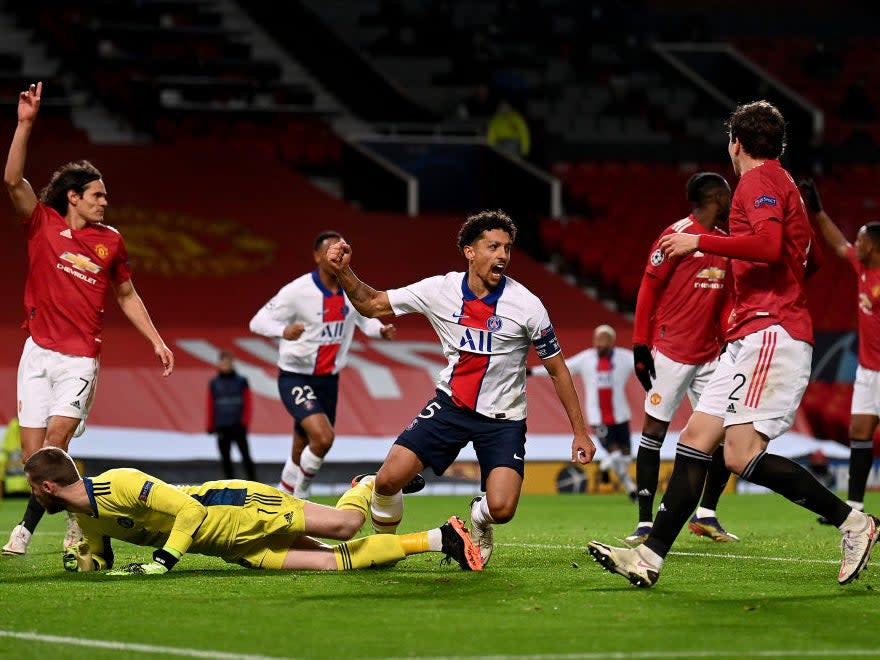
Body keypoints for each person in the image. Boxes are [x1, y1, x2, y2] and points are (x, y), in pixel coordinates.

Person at [587, 100, 879, 588]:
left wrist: (700, 244)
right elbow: (806, 264)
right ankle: (650, 557)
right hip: (750, 334)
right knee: (697, 439)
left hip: (770, 331)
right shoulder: (785, 187)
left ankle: (853, 522)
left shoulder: (760, 181)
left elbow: (766, 247)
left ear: (735, 143)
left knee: (740, 454)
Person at [322, 209, 596, 567]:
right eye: (493, 246)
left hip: (503, 420)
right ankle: (383, 547)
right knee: (388, 481)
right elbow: (373, 304)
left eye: (508, 249)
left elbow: (558, 369)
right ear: (469, 251)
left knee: (502, 508)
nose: (502, 256)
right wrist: (343, 272)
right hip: (450, 407)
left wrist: (580, 431)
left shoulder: (528, 306)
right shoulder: (440, 290)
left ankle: (479, 518)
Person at [3, 82, 175, 557]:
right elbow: (13, 181)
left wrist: (156, 340)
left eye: (106, 197)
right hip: (36, 352)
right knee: (33, 462)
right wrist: (25, 125)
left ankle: (25, 529)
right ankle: (85, 517)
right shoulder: (42, 225)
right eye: (98, 196)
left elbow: (126, 293)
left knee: (55, 448)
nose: (105, 202)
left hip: (79, 359)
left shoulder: (111, 241)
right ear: (73, 198)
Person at [26, 446, 483, 573]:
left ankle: (365, 484)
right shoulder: (84, 515)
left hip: (238, 507)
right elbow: (101, 557)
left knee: (346, 527)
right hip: (229, 550)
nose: (31, 495)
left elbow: (189, 511)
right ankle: (440, 538)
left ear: (48, 485)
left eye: (32, 486)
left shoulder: (120, 482)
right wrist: (86, 562)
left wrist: (163, 561)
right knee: (332, 563)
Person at [626, 172, 737, 545]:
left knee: (720, 433)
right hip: (670, 352)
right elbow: (649, 285)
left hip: (710, 356)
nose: (731, 199)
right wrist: (641, 344)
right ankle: (644, 521)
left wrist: (728, 338)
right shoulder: (675, 235)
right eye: (728, 194)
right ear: (716, 197)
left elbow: (722, 300)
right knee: (654, 431)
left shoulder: (724, 243)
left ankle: (707, 514)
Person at [249, 230, 397, 499]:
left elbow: (365, 320)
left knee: (302, 445)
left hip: (329, 380)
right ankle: (302, 495)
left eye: (341, 250)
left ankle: (282, 496)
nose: (335, 255)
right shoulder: (297, 291)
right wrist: (283, 330)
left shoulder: (351, 290)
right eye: (330, 250)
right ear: (317, 256)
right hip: (296, 376)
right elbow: (257, 322)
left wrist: (380, 330)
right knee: (323, 438)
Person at [799, 178, 880, 523]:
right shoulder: (863, 268)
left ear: (874, 245)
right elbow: (836, 244)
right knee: (859, 433)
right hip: (867, 371)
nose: (855, 243)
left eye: (861, 239)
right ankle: (856, 509)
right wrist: (816, 210)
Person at [530, 324, 636, 498]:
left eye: (603, 339)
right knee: (615, 453)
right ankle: (607, 470)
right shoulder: (586, 358)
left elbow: (645, 364)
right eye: (597, 339)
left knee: (625, 457)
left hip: (621, 415)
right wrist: (531, 371)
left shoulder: (624, 357)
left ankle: (629, 487)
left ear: (612, 341)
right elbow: (561, 367)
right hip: (598, 418)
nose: (599, 343)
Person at [207, 350, 256, 481]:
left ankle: (255, 483)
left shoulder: (241, 381)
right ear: (218, 364)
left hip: (238, 425)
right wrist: (211, 425)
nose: (225, 365)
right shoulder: (214, 383)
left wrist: (245, 422)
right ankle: (230, 486)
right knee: (225, 459)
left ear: (232, 363)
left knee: (246, 456)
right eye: (223, 362)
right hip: (222, 426)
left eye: (228, 362)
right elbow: (211, 404)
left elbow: (248, 402)